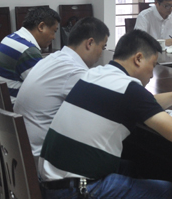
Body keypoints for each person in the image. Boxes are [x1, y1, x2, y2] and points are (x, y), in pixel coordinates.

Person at [39, 30, 172, 199]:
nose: (152, 75)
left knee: (132, 167)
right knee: (170, 196)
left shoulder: (94, 74)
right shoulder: (129, 88)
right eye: (152, 65)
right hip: (76, 196)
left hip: (50, 187)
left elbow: (145, 103)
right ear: (138, 59)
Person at [14, 17, 110, 159]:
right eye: (103, 47)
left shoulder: (53, 58)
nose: (101, 53)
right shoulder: (74, 71)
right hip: (41, 158)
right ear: (90, 43)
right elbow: (103, 109)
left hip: (23, 150)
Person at [0, 7, 60, 101]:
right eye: (54, 31)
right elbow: (45, 87)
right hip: (10, 106)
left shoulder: (12, 37)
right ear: (41, 27)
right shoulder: (27, 49)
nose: (54, 37)